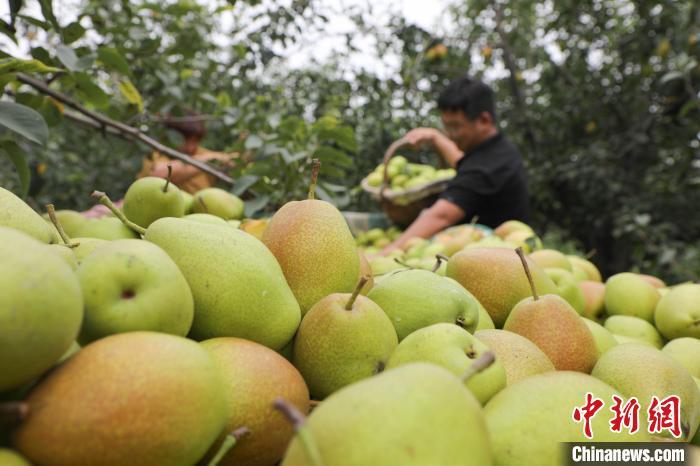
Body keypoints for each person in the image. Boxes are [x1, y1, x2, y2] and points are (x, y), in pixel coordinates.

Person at [379, 75, 531, 255]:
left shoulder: (487, 167)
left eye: (455, 127)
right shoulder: (496, 151)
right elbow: (461, 163)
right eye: (446, 127)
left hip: (496, 260)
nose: (450, 135)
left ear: (484, 120)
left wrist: (383, 254)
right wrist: (434, 137)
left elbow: (441, 216)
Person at [83, 114, 238, 218]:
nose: (191, 147)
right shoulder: (158, 155)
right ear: (171, 136)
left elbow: (233, 161)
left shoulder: (202, 154)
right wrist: (208, 159)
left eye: (196, 140)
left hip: (194, 213)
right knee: (96, 215)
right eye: (186, 140)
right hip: (147, 209)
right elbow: (160, 175)